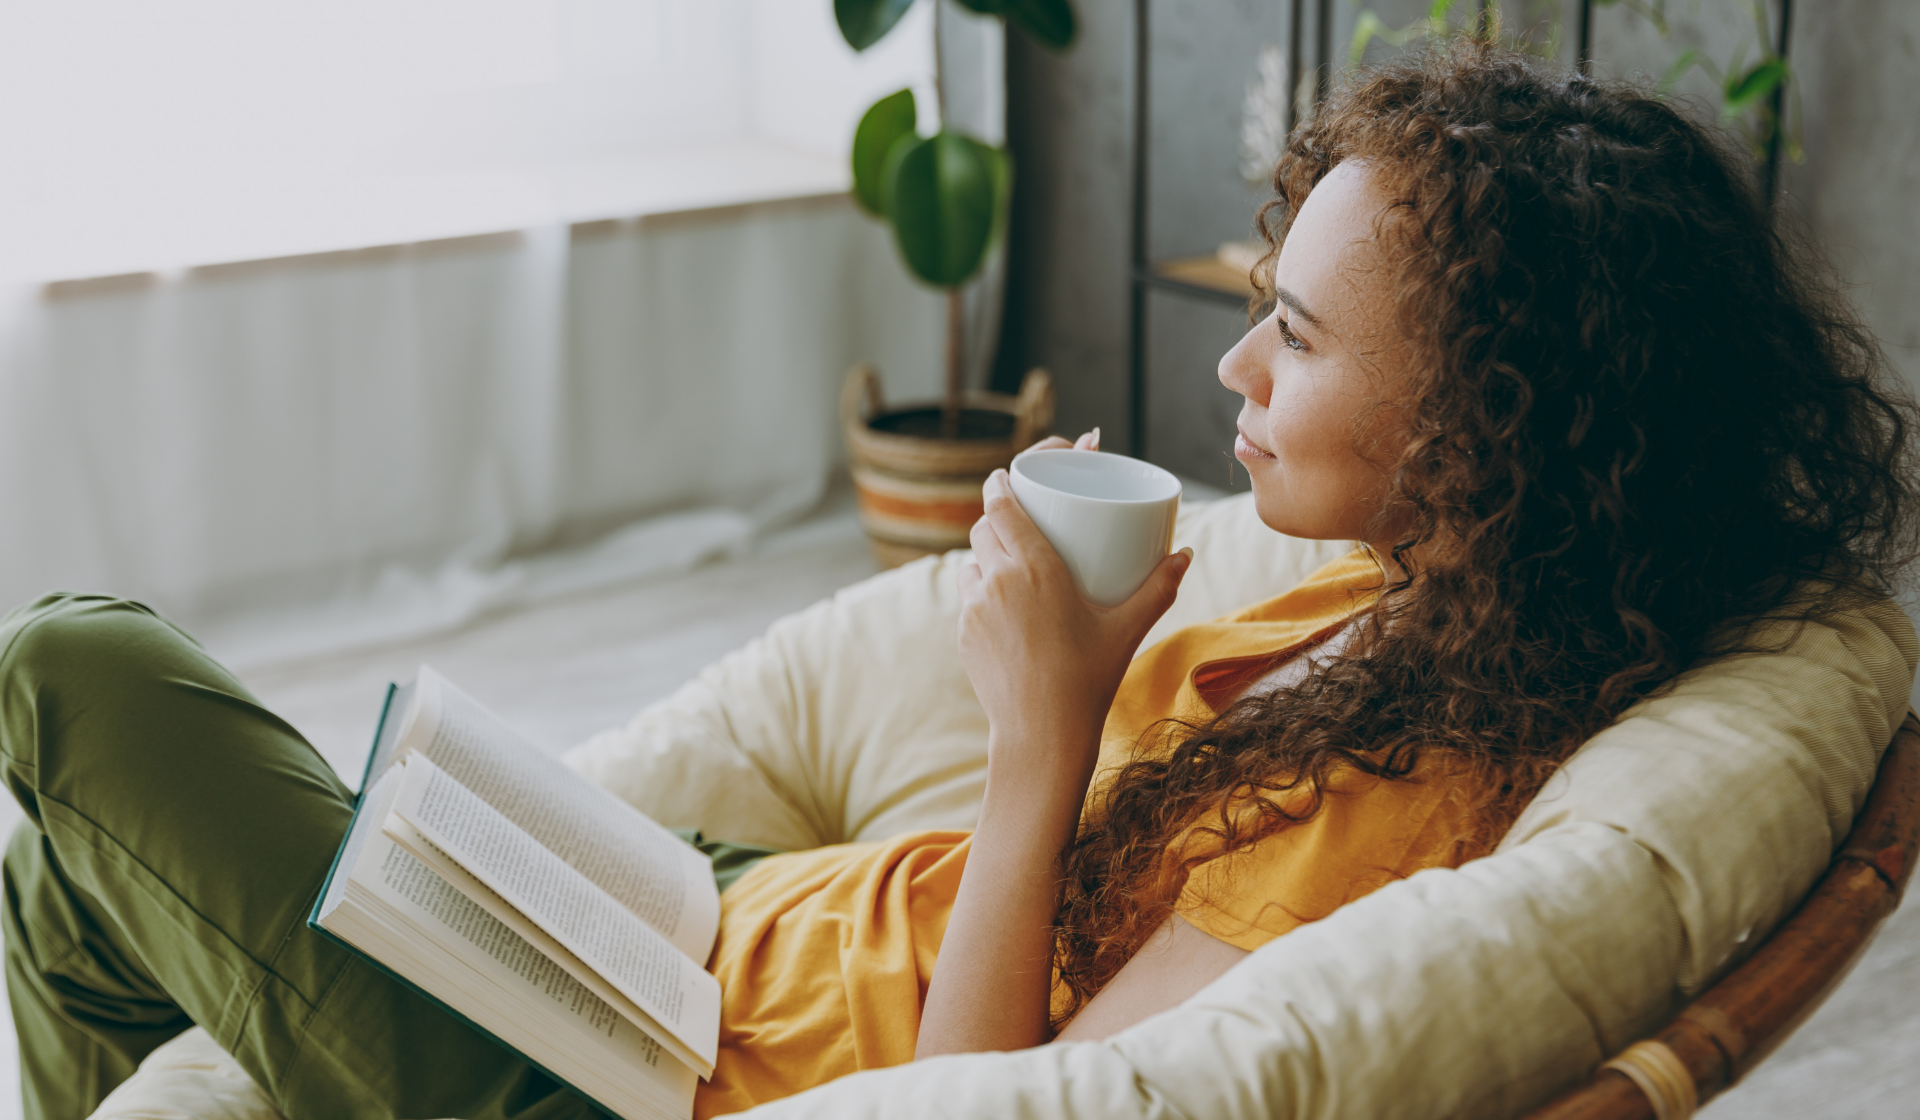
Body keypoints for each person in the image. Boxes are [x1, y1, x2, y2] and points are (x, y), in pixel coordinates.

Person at [2, 40, 1913, 1120]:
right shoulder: (1411, 612)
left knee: (69, 670)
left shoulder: (1409, 794)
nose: (1236, 374)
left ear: (1494, 428)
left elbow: (1005, 1103)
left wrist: (1041, 729)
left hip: (647, 1078)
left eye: (1301, 344)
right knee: (61, 874)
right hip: (711, 939)